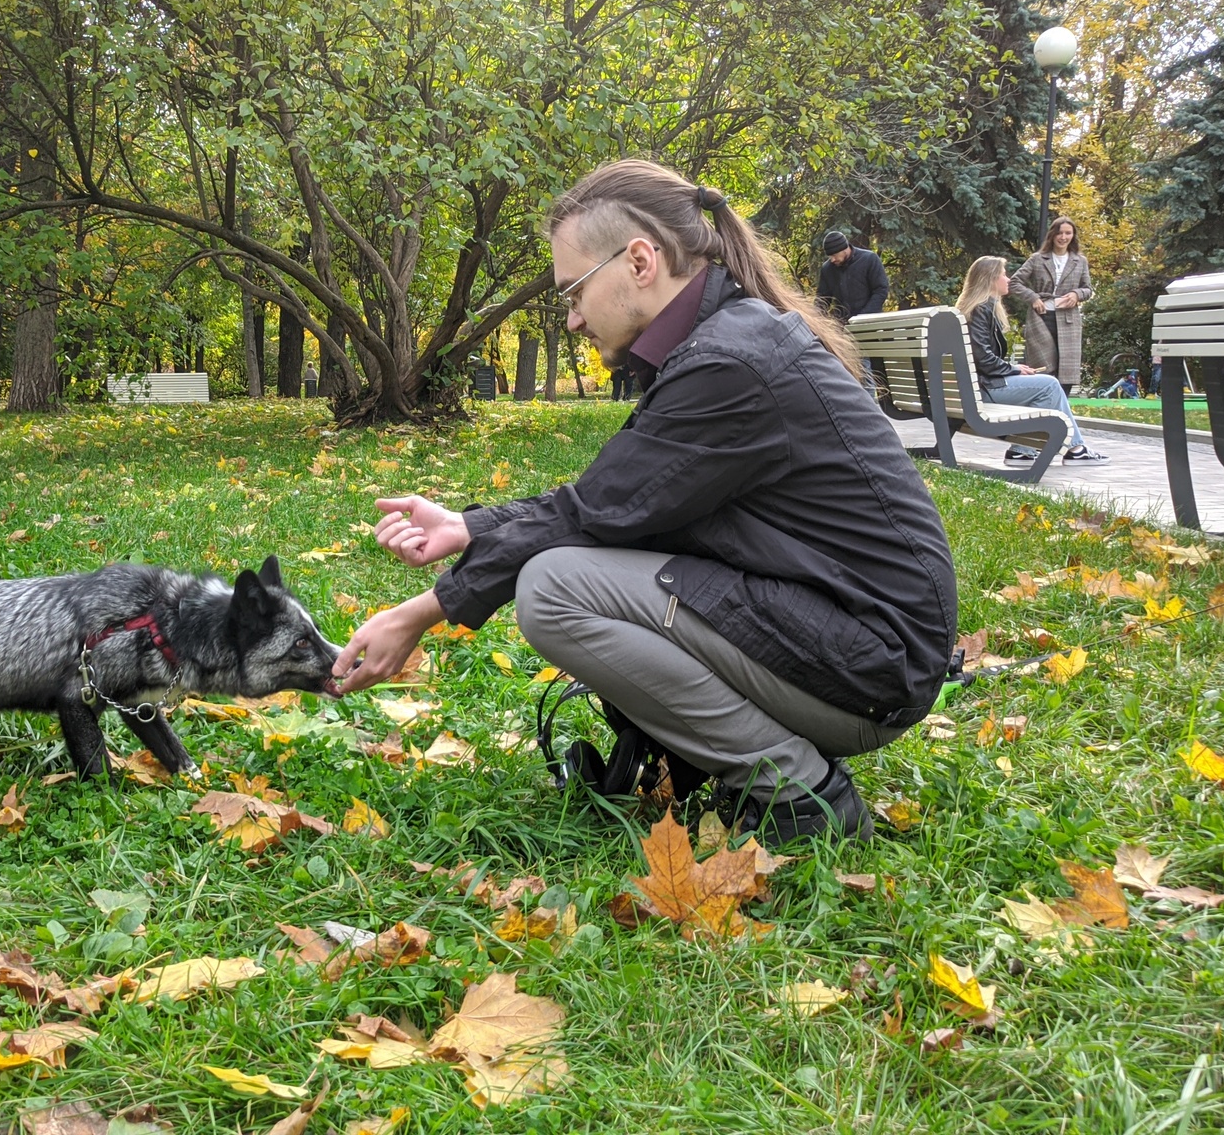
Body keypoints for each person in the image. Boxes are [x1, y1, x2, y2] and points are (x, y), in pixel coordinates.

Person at [330, 159, 959, 845]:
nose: (570, 319)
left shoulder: (730, 362)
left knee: (554, 589)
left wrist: (420, 614)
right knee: (576, 564)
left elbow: (590, 516)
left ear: (639, 261)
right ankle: (711, 757)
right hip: (853, 646)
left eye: (572, 292)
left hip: (871, 666)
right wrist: (467, 525)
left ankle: (798, 792)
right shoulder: (727, 339)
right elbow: (615, 501)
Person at [957, 256, 1108, 465]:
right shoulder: (981, 309)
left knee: (1044, 389)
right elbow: (983, 359)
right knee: (1050, 386)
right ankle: (1075, 448)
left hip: (975, 388)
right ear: (990, 279)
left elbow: (980, 357)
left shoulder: (976, 308)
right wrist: (1014, 369)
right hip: (983, 389)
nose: (1008, 279)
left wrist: (1015, 369)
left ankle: (1023, 450)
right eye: (1003, 274)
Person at [1007, 216, 1091, 390]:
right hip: (1041, 318)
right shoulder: (1037, 259)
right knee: (1042, 364)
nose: (1063, 237)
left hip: (1068, 320)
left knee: (1066, 367)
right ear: (1052, 235)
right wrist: (1033, 297)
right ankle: (1041, 403)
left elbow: (1087, 289)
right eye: (1059, 233)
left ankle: (1062, 409)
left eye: (1068, 233)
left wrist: (1077, 294)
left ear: (1073, 236)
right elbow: (1014, 282)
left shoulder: (1080, 261)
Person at [814, 230, 890, 322]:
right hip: (842, 326)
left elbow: (881, 290)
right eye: (830, 256)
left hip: (870, 321)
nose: (832, 260)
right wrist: (815, 321)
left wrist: (863, 317)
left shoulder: (869, 259)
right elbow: (822, 300)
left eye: (834, 255)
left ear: (844, 249)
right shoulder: (827, 269)